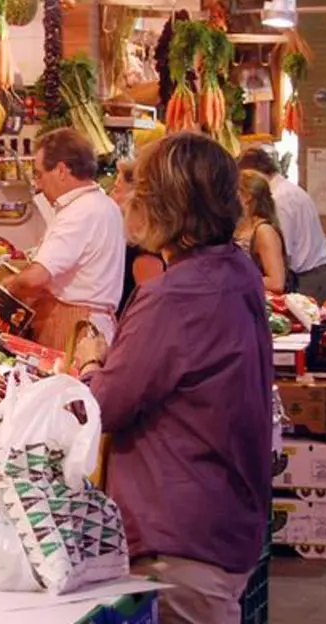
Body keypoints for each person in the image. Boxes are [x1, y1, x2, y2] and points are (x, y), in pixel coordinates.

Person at [74, 133, 272, 624]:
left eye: (136, 189)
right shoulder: (235, 270)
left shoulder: (176, 296)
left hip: (179, 533)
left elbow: (108, 405)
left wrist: (90, 362)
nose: (124, 199)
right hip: (222, 516)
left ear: (163, 205)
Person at [7, 128, 125, 348]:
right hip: (95, 325)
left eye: (40, 174)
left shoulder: (79, 212)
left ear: (61, 170)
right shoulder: (104, 204)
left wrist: (7, 287)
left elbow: (35, 278)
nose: (38, 185)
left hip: (75, 329)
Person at [237, 148, 326, 301]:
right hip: (316, 274)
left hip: (310, 279)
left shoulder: (280, 199)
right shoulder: (287, 190)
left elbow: (280, 256)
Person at [110, 156, 165, 316]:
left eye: (117, 189)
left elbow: (151, 305)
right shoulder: (135, 238)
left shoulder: (143, 246)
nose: (112, 196)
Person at [236, 170, 292, 294]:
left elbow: (276, 282)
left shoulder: (264, 231)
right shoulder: (238, 227)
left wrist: (236, 280)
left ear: (247, 197)